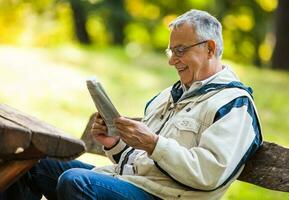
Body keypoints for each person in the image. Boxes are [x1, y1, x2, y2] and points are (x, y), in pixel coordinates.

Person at [3, 9, 262, 200]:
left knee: (76, 182)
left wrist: (152, 143)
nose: (173, 61)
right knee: (30, 161)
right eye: (171, 52)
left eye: (180, 50)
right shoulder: (168, 96)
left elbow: (208, 174)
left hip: (166, 197)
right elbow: (138, 160)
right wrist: (114, 144)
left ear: (210, 48)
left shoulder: (234, 105)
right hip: (131, 182)